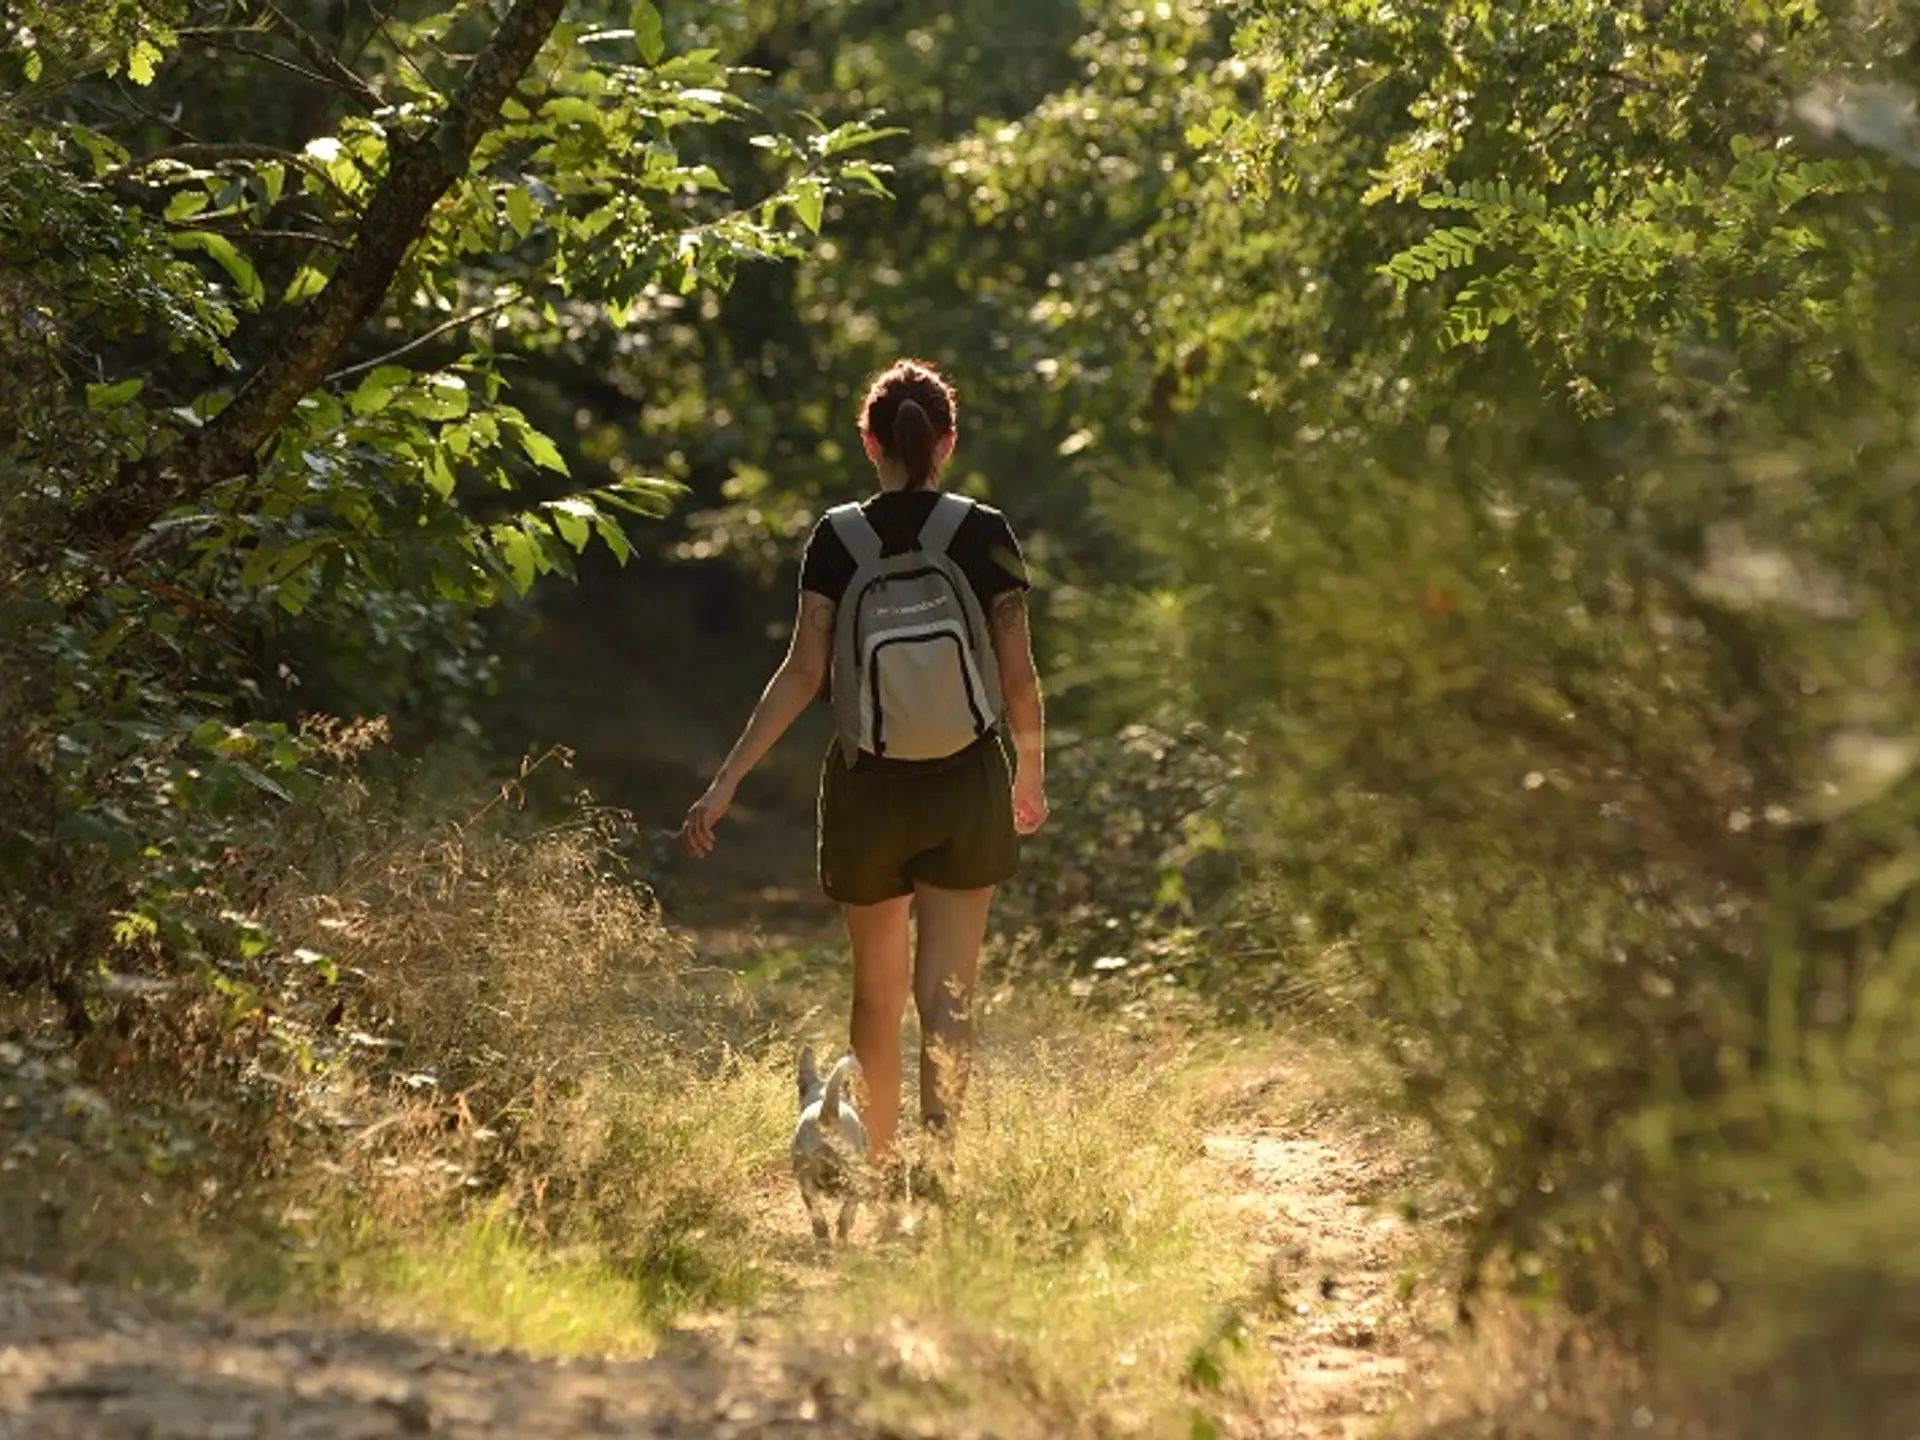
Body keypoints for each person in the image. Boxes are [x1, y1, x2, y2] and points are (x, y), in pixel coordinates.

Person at [681, 358, 1047, 1191]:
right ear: (945, 442)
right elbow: (1018, 673)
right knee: (947, 998)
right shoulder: (984, 529)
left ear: (870, 441)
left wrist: (728, 778)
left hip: (867, 789)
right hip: (968, 782)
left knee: (877, 997)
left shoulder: (837, 538)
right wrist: (1029, 776)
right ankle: (941, 1170)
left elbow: (803, 673)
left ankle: (876, 1164)